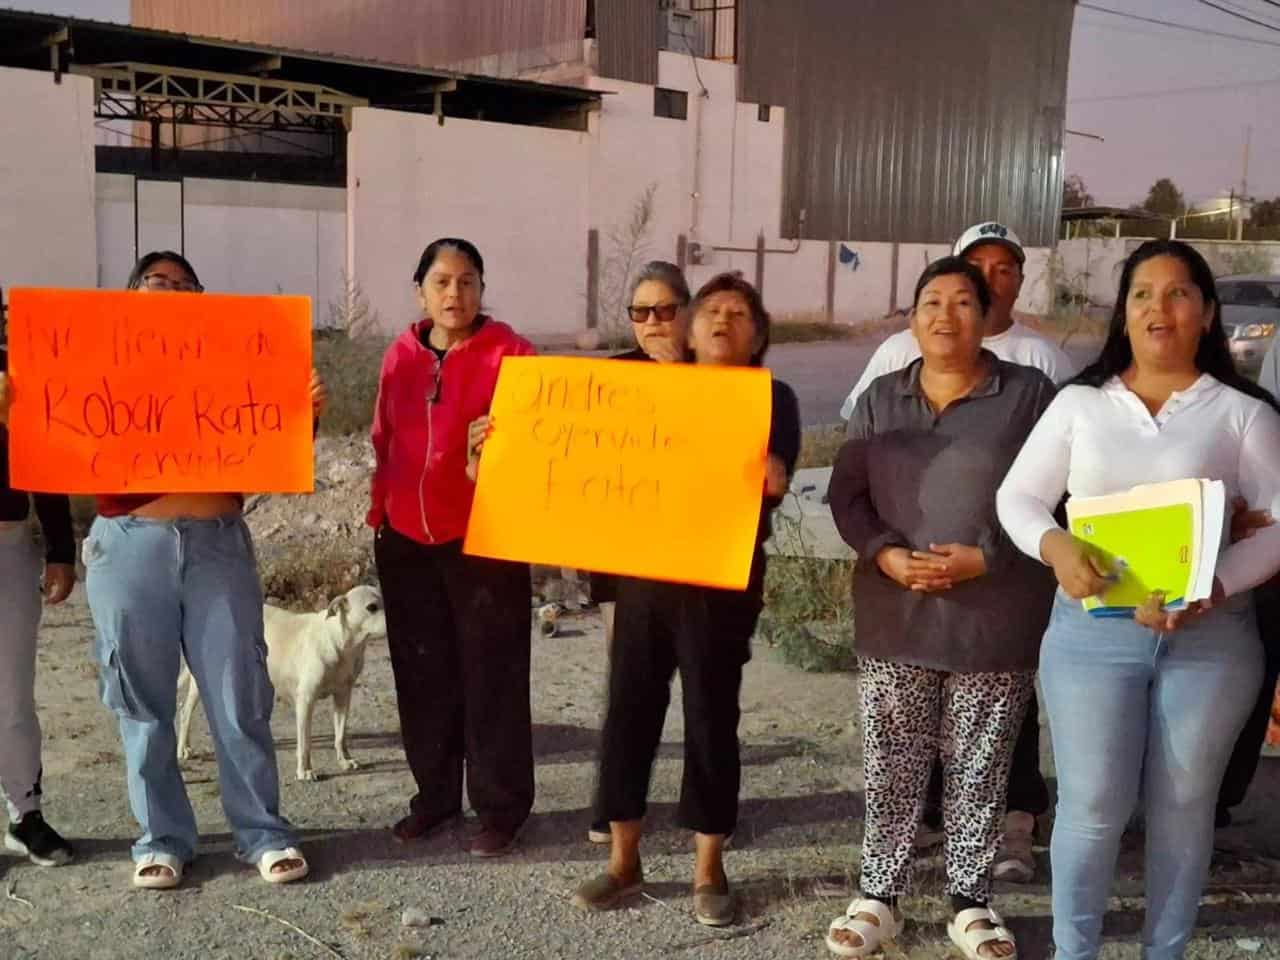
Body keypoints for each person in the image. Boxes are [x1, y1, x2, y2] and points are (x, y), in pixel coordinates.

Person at [996, 239, 1280, 960]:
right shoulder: (1082, 405)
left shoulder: (1242, 412)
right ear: (1123, 313)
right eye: (1143, 294)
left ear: (1207, 313)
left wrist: (1213, 586)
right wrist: (1057, 548)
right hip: (1093, 637)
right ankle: (1074, 951)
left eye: (1179, 293)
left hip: (1211, 640)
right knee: (1092, 806)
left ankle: (1167, 951)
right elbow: (1020, 497)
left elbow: (1279, 525)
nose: (1161, 307)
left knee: (1183, 810)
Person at [49, 251, 324, 889]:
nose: (170, 291)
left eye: (183, 284)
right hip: (128, 546)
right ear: (129, 294)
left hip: (217, 543)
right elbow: (58, 444)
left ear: (202, 298)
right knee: (141, 700)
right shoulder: (96, 366)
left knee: (237, 694)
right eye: (156, 282)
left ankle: (263, 833)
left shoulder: (235, 366)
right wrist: (21, 413)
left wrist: (300, 415)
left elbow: (265, 459)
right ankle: (162, 839)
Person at [823, 257, 1055, 960]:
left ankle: (970, 901)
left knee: (981, 765)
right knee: (892, 761)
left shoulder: (1030, 396)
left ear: (988, 317)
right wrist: (886, 554)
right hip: (896, 615)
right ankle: (879, 897)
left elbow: (1062, 497)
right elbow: (847, 496)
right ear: (913, 318)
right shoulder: (880, 399)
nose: (945, 315)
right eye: (930, 302)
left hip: (995, 615)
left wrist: (989, 557)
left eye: (962, 302)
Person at [572, 272, 800, 927]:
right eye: (712, 311)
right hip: (644, 576)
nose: (723, 320)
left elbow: (779, 473)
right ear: (690, 329)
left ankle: (708, 867)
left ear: (757, 333)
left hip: (721, 586)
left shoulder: (770, 396)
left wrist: (773, 474)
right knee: (628, 714)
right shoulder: (649, 390)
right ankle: (623, 860)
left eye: (738, 312)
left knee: (709, 718)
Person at [369, 237, 536, 858]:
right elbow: (383, 438)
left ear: (481, 290)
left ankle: (500, 809)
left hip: (483, 538)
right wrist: (378, 512)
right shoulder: (399, 356)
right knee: (421, 674)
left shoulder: (512, 355)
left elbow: (539, 444)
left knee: (492, 676)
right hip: (405, 537)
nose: (454, 294)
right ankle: (434, 800)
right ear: (420, 291)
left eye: (467, 281)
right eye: (441, 282)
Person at [586, 260, 692, 846]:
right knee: (628, 687)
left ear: (688, 312)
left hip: (698, 559)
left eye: (664, 310)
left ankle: (705, 813)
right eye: (639, 312)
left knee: (705, 695)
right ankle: (615, 805)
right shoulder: (611, 379)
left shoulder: (718, 377)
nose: (651, 323)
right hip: (624, 563)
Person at [0, 349, 76, 868]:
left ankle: (25, 815)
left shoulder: (18, 371)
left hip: (7, 543)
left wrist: (61, 549)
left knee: (12, 691)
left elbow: (47, 455)